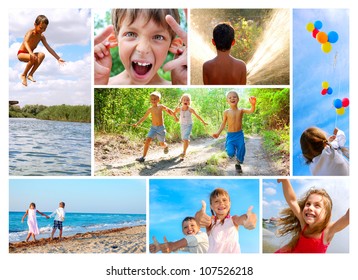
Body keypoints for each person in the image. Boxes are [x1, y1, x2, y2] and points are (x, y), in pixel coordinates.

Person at [94, 9, 187, 85]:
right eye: (131, 34)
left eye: (158, 37)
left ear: (175, 45)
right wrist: (97, 82)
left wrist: (181, 82)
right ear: (114, 39)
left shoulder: (179, 84)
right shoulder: (101, 83)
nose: (143, 49)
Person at [275, 179, 349, 253]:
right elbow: (292, 201)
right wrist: (285, 181)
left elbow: (347, 217)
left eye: (317, 205)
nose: (310, 208)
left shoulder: (328, 231)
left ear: (326, 213)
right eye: (308, 204)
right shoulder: (304, 224)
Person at [195, 188, 257, 253]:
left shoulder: (233, 219)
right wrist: (198, 216)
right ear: (211, 206)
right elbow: (199, 219)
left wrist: (249, 218)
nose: (221, 203)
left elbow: (241, 219)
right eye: (216, 201)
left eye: (224, 200)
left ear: (230, 204)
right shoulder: (211, 222)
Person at [212, 90, 256, 173]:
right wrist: (218, 133)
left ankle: (238, 163)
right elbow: (223, 124)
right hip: (230, 135)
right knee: (231, 153)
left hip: (239, 134)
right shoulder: (226, 112)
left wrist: (253, 105)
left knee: (241, 148)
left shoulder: (241, 110)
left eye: (234, 97)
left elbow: (251, 111)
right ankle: (231, 152)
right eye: (230, 97)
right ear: (227, 100)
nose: (232, 98)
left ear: (238, 99)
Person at [17, 15, 65, 86]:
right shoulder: (30, 32)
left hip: (31, 56)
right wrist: (31, 53)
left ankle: (30, 74)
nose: (42, 30)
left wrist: (58, 58)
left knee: (42, 55)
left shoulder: (41, 36)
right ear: (35, 25)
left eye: (45, 29)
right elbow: (25, 42)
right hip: (21, 54)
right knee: (33, 57)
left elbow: (48, 48)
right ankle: (24, 75)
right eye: (41, 28)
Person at [133, 91, 178, 163]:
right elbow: (144, 117)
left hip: (161, 128)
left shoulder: (161, 107)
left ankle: (165, 146)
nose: (153, 100)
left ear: (158, 100)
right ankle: (143, 157)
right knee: (148, 140)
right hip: (153, 128)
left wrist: (175, 117)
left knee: (162, 144)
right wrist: (137, 123)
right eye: (152, 99)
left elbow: (169, 111)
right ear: (150, 100)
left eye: (155, 99)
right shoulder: (150, 109)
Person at [173, 93, 208, 159]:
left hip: (189, 125)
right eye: (184, 100)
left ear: (189, 102)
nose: (186, 101)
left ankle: (184, 152)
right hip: (182, 125)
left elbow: (197, 116)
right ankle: (187, 142)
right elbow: (173, 114)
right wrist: (175, 117)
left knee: (185, 138)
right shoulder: (179, 109)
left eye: (188, 100)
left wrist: (203, 122)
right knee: (184, 139)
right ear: (181, 101)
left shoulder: (190, 109)